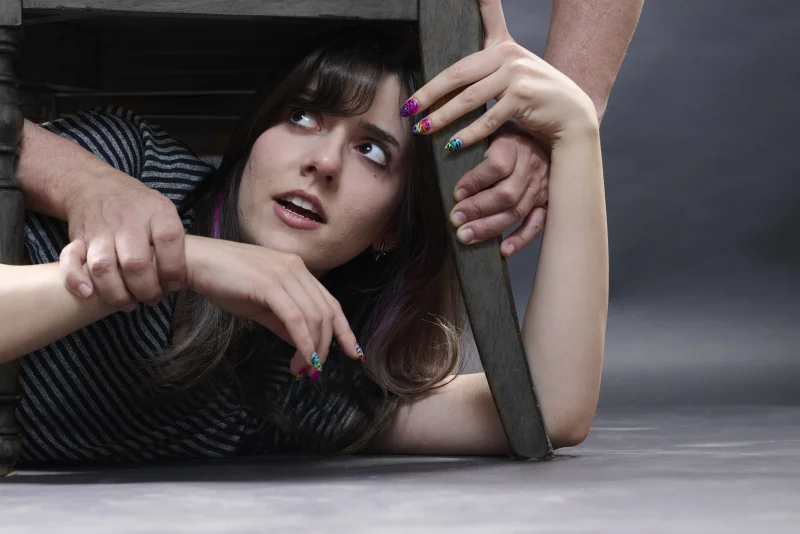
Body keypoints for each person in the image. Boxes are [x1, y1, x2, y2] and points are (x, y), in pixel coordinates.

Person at [0, 1, 608, 464]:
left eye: (372, 151)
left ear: (390, 231)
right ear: (252, 140)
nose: (323, 162)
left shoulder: (301, 379)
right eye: (302, 116)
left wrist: (576, 132)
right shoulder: (133, 163)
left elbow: (547, 410)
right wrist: (188, 259)